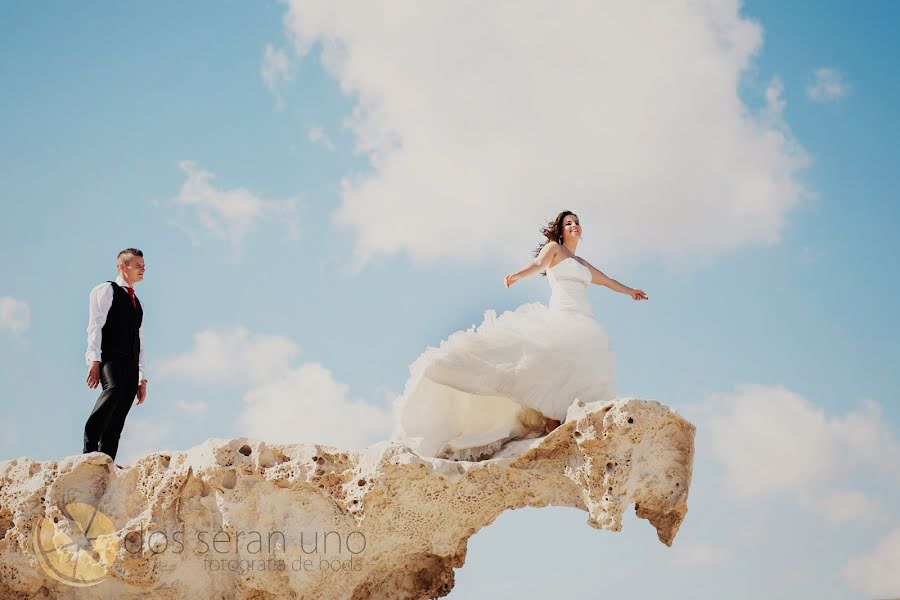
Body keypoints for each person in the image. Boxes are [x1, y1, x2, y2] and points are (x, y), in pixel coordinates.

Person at [393, 211, 647, 461]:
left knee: (583, 365)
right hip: (562, 316)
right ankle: (548, 418)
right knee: (546, 360)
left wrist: (630, 291)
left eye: (577, 222)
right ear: (560, 230)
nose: (575, 226)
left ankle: (562, 420)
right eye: (569, 223)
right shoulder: (554, 249)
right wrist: (517, 275)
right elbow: (538, 265)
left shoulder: (581, 264)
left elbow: (607, 281)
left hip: (584, 319)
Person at [82, 248, 148, 465]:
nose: (142, 269)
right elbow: (95, 326)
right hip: (110, 358)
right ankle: (89, 448)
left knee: (119, 415)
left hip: (131, 363)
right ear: (122, 267)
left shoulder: (137, 303)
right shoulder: (106, 290)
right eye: (137, 265)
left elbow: (140, 340)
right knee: (114, 389)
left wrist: (142, 377)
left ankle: (107, 459)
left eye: (143, 265)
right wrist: (94, 359)